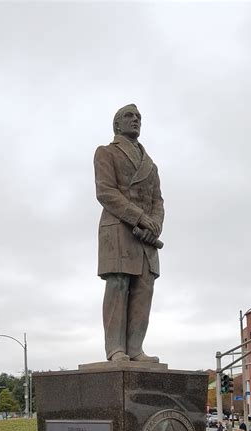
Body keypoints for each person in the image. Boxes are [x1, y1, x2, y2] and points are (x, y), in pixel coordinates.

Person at [94, 104, 165, 363]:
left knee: (143, 289)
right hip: (119, 230)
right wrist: (140, 217)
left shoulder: (151, 165)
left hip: (146, 237)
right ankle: (115, 349)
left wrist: (154, 224)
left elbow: (158, 200)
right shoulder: (106, 153)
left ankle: (136, 348)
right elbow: (105, 192)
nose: (135, 120)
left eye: (138, 118)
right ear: (117, 125)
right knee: (119, 286)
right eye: (129, 116)